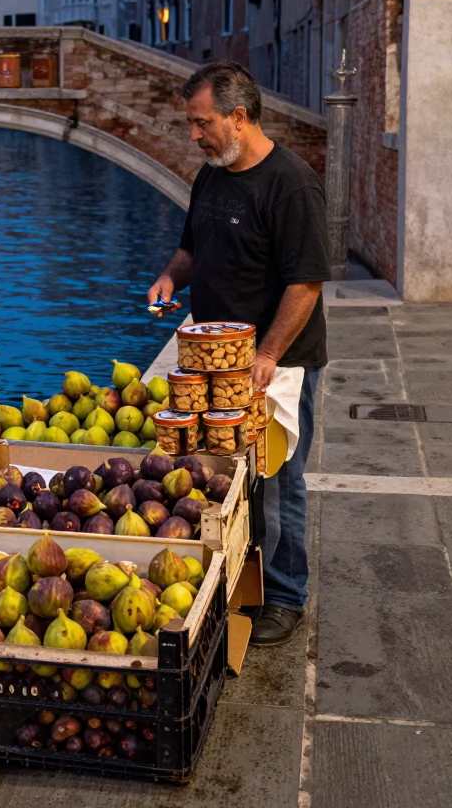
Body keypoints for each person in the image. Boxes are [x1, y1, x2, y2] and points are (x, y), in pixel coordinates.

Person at [147, 61, 331, 646]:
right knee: (226, 477)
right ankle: (241, 581)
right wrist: (170, 280)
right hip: (214, 361)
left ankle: (284, 595)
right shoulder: (211, 176)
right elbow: (190, 248)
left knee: (278, 477)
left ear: (238, 116)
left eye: (202, 124)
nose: (194, 135)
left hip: (280, 362)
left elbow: (305, 284)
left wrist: (268, 354)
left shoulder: (291, 183)